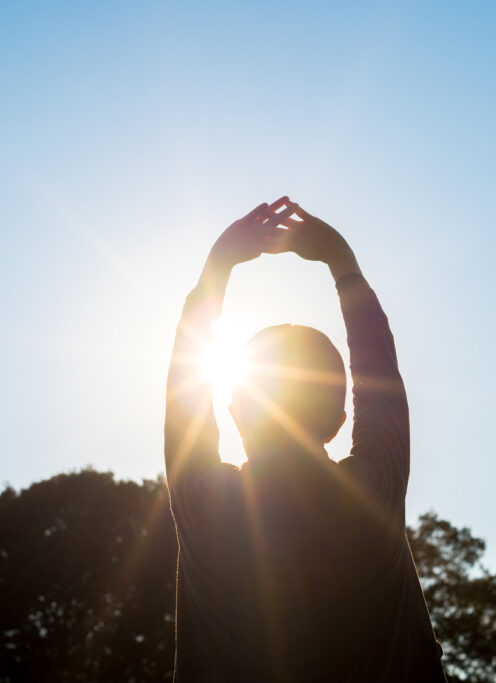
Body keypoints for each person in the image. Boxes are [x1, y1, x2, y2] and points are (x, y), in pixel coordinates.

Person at [164, 197, 447, 682]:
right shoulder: (371, 491)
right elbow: (379, 379)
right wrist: (341, 262)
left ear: (234, 417)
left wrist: (217, 271)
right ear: (339, 421)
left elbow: (183, 393)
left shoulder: (205, 504)